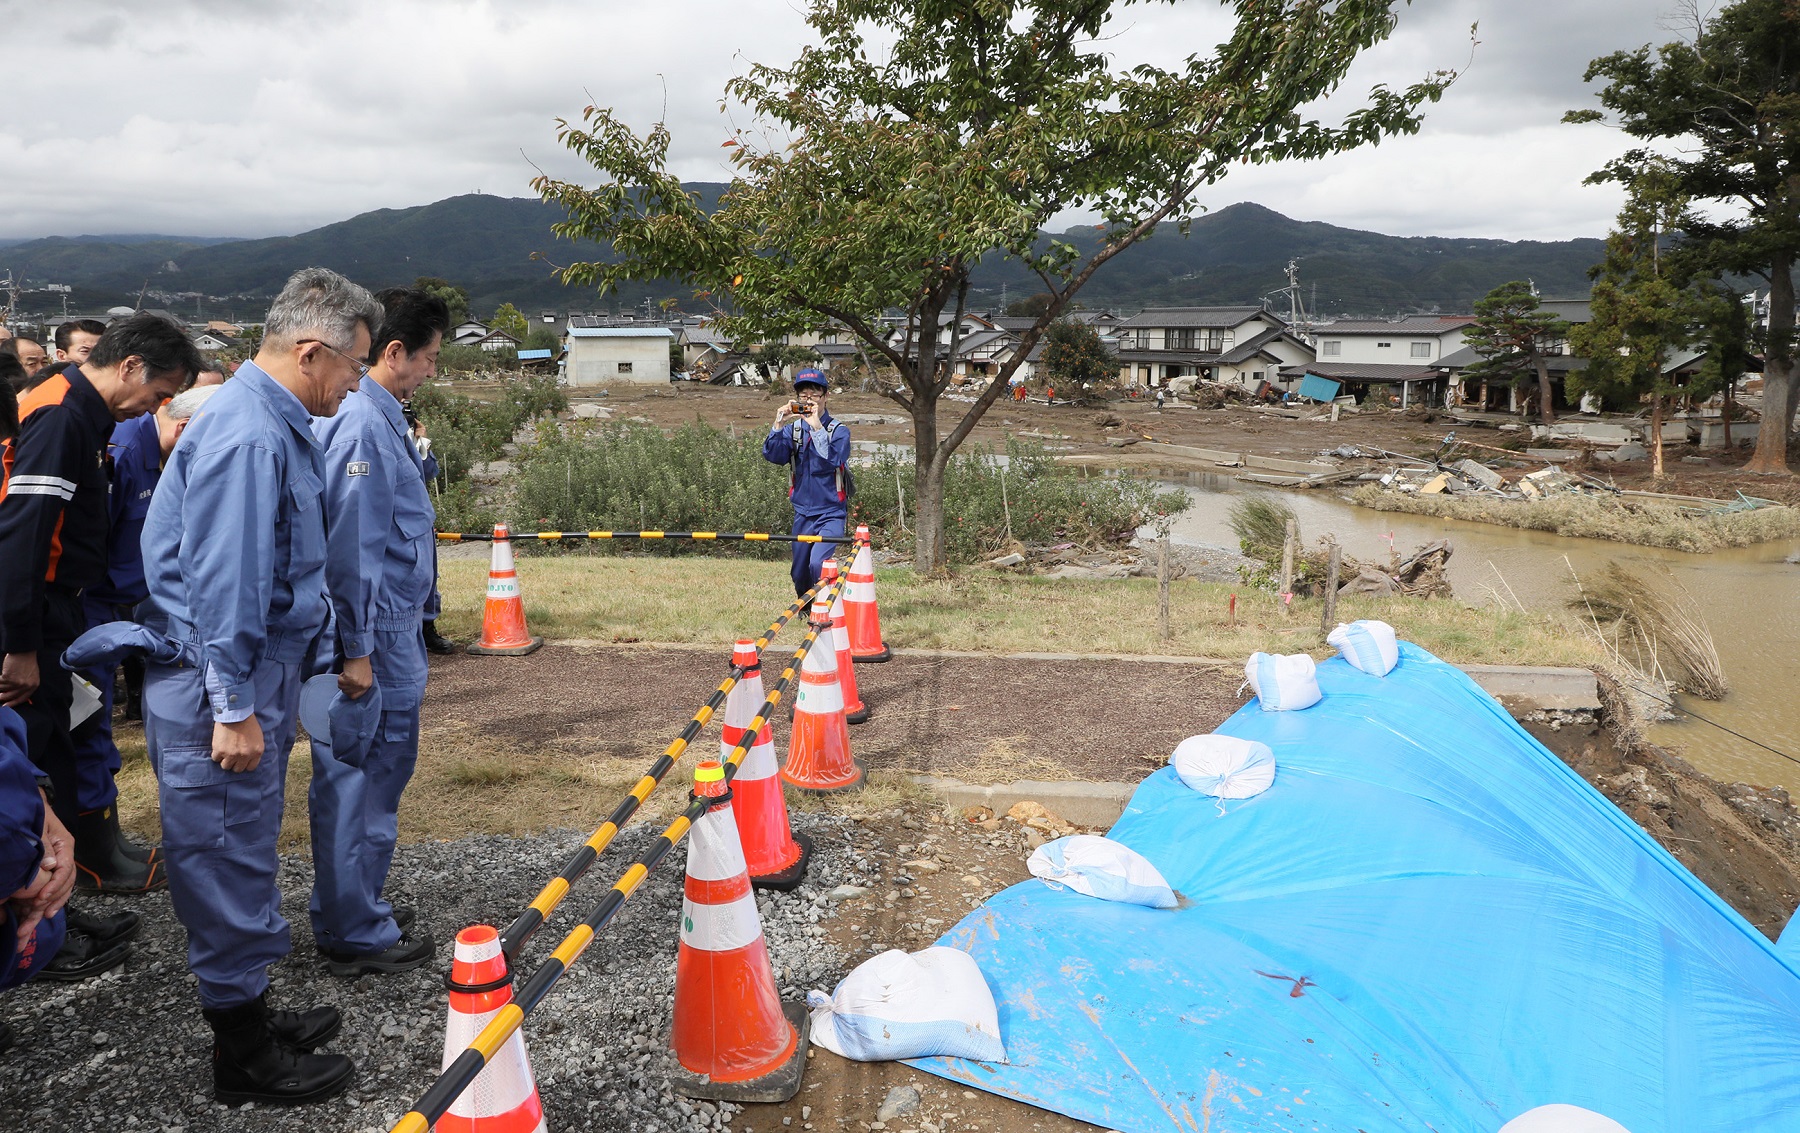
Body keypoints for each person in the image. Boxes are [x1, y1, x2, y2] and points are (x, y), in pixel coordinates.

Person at [138, 267, 377, 1105]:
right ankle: (241, 1057)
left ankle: (255, 1009)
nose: (354, 383)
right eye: (352, 367)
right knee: (223, 852)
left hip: (249, 669)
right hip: (223, 678)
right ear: (312, 352)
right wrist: (234, 704)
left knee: (241, 845)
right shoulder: (250, 433)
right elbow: (226, 582)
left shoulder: (265, 419)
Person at [0, 314, 197, 918]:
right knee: (33, 756)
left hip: (62, 602)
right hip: (37, 608)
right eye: (158, 395)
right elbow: (23, 533)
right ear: (130, 366)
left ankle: (62, 889)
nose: (149, 410)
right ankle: (29, 912)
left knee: (68, 737)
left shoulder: (73, 405)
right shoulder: (61, 414)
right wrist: (21, 643)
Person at [306, 287, 445, 977]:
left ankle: (351, 902)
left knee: (375, 774)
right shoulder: (362, 422)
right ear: (394, 353)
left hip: (391, 624)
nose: (431, 372)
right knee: (365, 773)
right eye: (428, 359)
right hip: (376, 632)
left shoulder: (380, 415)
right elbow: (352, 546)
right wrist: (356, 648)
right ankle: (353, 925)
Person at [70, 384, 222, 859]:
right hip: (92, 608)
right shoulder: (123, 452)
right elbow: (87, 543)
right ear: (184, 427)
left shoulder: (167, 456)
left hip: (140, 607)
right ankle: (97, 856)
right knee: (87, 720)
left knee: (102, 725)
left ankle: (107, 840)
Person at [762, 368, 851, 597]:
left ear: (825, 396)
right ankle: (807, 608)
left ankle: (825, 607)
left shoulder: (838, 431)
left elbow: (835, 459)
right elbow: (774, 456)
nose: (809, 399)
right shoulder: (794, 430)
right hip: (802, 512)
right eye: (803, 395)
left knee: (817, 564)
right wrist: (778, 425)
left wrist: (817, 428)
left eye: (814, 394)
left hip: (831, 511)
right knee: (799, 572)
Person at [404, 411, 457, 655]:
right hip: (398, 517)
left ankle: (428, 627)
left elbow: (429, 470)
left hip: (419, 517)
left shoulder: (411, 438)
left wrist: (420, 440)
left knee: (428, 574)